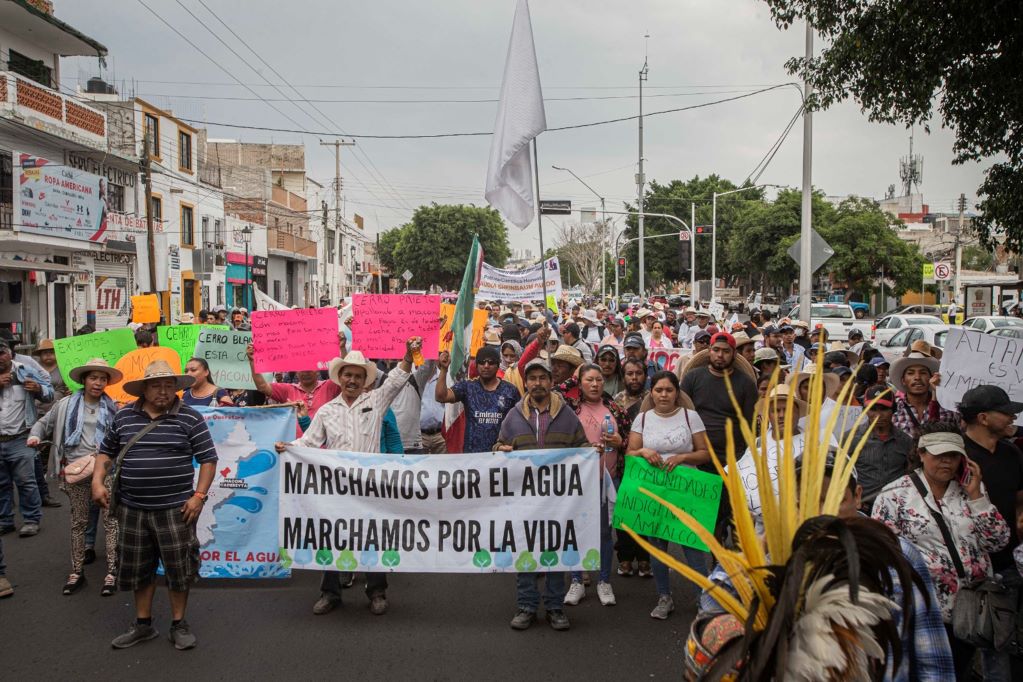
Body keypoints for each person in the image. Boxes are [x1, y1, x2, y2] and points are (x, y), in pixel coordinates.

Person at [278, 340, 418, 617]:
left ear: (365, 380)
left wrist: (407, 355)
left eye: (357, 376)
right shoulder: (327, 411)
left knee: (372, 537)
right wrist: (288, 447)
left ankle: (377, 592)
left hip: (370, 487)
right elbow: (309, 442)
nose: (352, 380)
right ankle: (329, 593)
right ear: (339, 378)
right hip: (336, 489)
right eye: (348, 375)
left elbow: (397, 379)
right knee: (331, 537)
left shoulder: (376, 401)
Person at [94, 359, 218, 650]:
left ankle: (178, 624)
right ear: (144, 389)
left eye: (168, 385)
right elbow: (106, 452)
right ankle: (143, 624)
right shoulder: (124, 417)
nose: (163, 391)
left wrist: (199, 496)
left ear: (176, 388)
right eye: (156, 385)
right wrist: (97, 481)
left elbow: (208, 459)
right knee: (138, 567)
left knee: (179, 568)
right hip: (132, 508)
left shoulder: (190, 418)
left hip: (176, 509)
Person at [872, 424, 1010, 678]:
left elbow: (998, 541)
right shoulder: (893, 496)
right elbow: (883, 556)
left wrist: (977, 497)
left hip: (975, 612)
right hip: (927, 613)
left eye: (954, 455)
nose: (947, 461)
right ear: (921, 453)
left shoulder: (971, 490)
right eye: (939, 455)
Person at [496, 358, 588, 632]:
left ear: (551, 382)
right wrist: (501, 449)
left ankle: (555, 607)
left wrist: (590, 453)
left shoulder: (567, 416)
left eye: (542, 378)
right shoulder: (513, 416)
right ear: (525, 383)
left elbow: (581, 446)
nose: (537, 383)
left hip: (558, 503)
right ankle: (526, 606)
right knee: (525, 552)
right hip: (524, 502)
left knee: (555, 553)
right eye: (532, 378)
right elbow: (498, 445)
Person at [27, 358, 122, 596]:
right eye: (93, 378)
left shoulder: (114, 408)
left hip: (106, 470)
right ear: (84, 380)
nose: (98, 383)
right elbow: (43, 423)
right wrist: (35, 436)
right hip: (76, 471)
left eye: (103, 379)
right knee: (79, 522)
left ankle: (112, 572)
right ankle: (77, 572)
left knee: (110, 520)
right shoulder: (65, 405)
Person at [626, 371, 710, 619]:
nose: (664, 394)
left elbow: (705, 453)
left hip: (684, 492)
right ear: (651, 393)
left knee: (692, 547)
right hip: (654, 492)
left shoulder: (690, 417)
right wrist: (643, 452)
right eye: (659, 390)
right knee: (658, 548)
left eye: (669, 390)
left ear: (677, 393)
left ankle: (704, 601)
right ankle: (664, 597)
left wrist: (683, 457)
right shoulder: (642, 419)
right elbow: (629, 453)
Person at [958, 385, 1023, 681]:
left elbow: (1019, 501)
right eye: (1005, 412)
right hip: (969, 571)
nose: (1013, 418)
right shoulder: (956, 456)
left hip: (1009, 565)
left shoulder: (1012, 453)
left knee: (1004, 643)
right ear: (983, 418)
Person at [562, 364, 630, 607]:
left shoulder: (615, 409)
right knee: (575, 531)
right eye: (588, 380)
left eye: (599, 379)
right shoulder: (570, 408)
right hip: (578, 482)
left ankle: (604, 581)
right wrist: (574, 376)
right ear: (579, 383)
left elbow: (631, 442)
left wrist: (620, 442)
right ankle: (577, 581)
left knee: (604, 532)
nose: (594, 384)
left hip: (607, 479)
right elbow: (557, 391)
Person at [679, 333, 757, 468]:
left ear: (734, 354)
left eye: (726, 351)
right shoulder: (692, 378)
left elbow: (750, 424)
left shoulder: (746, 384)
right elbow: (681, 415)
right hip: (696, 455)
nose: (720, 355)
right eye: (716, 350)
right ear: (710, 351)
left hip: (732, 459)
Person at [0, 339, 53, 537]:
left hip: (20, 438)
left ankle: (31, 520)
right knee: (1, 484)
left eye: (1, 353)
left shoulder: (25, 370)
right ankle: (5, 521)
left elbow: (49, 394)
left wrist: (38, 388)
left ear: (9, 353)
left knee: (26, 482)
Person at [436, 345, 520, 453]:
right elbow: (441, 396)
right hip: (473, 457)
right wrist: (444, 369)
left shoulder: (510, 391)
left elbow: (520, 420)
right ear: (476, 365)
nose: (486, 366)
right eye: (482, 362)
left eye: (491, 362)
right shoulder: (467, 387)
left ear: (498, 365)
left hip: (501, 456)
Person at [851, 385, 915, 512]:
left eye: (884, 409)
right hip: (863, 509)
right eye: (873, 409)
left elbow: (911, 474)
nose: (878, 415)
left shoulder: (905, 441)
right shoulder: (851, 439)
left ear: (893, 410)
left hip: (897, 509)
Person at [30, 339, 67, 508]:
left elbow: (67, 388)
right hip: (36, 410)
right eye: (45, 353)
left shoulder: (63, 369)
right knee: (38, 442)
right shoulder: (34, 369)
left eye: (51, 352)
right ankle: (40, 471)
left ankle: (47, 469)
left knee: (52, 442)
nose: (48, 356)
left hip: (57, 410)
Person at [889, 352, 957, 438]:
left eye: (923, 373)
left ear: (931, 378)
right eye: (911, 373)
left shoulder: (947, 408)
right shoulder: (894, 410)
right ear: (903, 381)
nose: (917, 377)